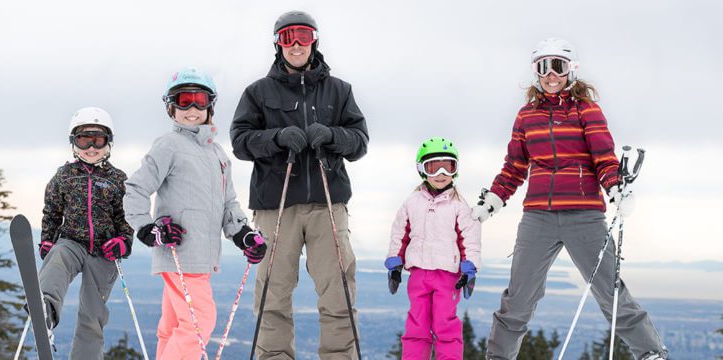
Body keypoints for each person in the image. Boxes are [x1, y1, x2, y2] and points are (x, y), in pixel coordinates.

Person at [472, 38, 668, 360]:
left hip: (584, 215)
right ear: (536, 72)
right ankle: (498, 357)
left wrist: (616, 187)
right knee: (519, 298)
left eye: (558, 66)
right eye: (543, 67)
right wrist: (493, 199)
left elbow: (603, 157)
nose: (551, 75)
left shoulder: (586, 110)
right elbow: (515, 166)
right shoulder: (526, 116)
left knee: (609, 290)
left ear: (570, 69)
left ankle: (650, 352)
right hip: (538, 217)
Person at [230, 10, 369, 359]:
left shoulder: (339, 91)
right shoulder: (257, 92)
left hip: (327, 203)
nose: (296, 44)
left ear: (315, 41)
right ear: (277, 43)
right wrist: (276, 138)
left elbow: (360, 142)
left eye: (304, 36)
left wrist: (334, 135)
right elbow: (240, 141)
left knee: (338, 293)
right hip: (275, 206)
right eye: (288, 36)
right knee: (272, 295)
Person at [124, 68, 267, 360]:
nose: (191, 108)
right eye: (183, 100)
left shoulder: (218, 155)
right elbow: (136, 189)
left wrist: (244, 234)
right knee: (200, 320)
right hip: (179, 252)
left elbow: (229, 204)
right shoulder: (169, 145)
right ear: (170, 107)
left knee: (174, 324)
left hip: (201, 256)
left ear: (210, 105)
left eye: (199, 100)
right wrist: (148, 229)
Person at [38, 106, 133, 360]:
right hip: (72, 241)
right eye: (83, 140)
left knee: (92, 314)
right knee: (58, 257)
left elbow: (127, 218)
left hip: (103, 250)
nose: (91, 147)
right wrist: (48, 240)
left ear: (108, 143)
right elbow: (52, 210)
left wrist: (123, 242)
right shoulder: (65, 176)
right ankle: (45, 306)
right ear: (73, 143)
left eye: (97, 140)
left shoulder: (117, 179)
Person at [384, 137, 481, 360]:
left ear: (455, 170)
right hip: (418, 274)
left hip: (448, 276)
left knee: (445, 324)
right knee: (417, 324)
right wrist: (395, 263)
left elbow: (470, 238)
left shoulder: (459, 205)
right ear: (422, 169)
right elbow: (400, 233)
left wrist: (470, 268)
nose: (440, 173)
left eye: (447, 166)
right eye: (433, 166)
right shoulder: (412, 202)